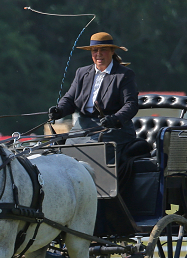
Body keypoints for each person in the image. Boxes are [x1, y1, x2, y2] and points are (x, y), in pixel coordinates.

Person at [48, 32, 146, 181]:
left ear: (112, 52)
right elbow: (70, 99)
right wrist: (59, 110)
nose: (98, 54)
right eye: (95, 51)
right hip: (83, 126)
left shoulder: (124, 75)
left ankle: (103, 194)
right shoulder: (82, 72)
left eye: (103, 50)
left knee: (94, 149)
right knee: (64, 149)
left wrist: (115, 119)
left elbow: (131, 105)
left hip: (114, 129)